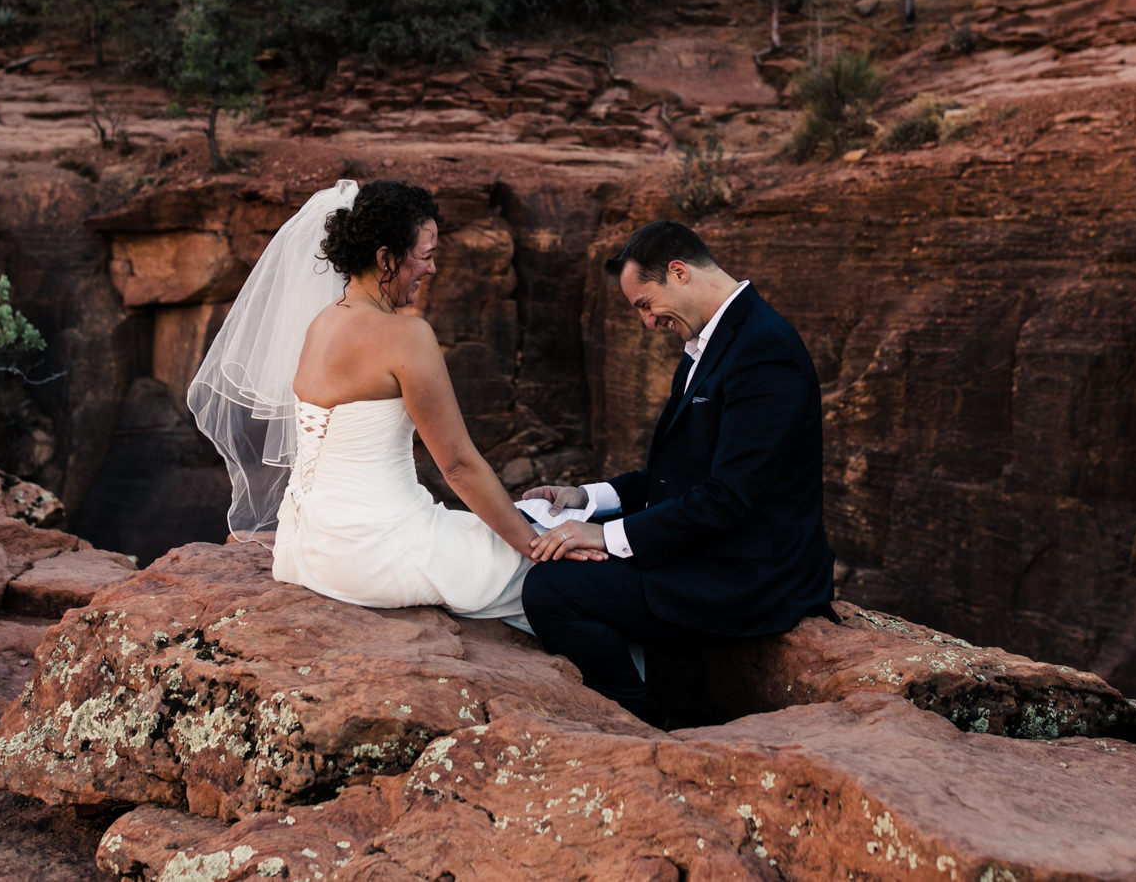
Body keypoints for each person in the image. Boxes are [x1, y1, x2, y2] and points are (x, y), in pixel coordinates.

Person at [187, 178, 557, 629]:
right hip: (376, 554)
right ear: (385, 258)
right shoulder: (406, 337)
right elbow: (458, 466)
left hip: (302, 553)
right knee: (554, 575)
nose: (433, 268)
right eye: (426, 256)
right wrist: (532, 546)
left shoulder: (320, 324)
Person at [521, 220, 834, 725]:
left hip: (752, 573)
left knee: (550, 590)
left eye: (645, 304)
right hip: (708, 550)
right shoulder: (706, 345)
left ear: (679, 272)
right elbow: (677, 475)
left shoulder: (764, 349)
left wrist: (605, 538)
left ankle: (640, 722)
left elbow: (730, 497)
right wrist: (583, 498)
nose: (647, 322)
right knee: (561, 575)